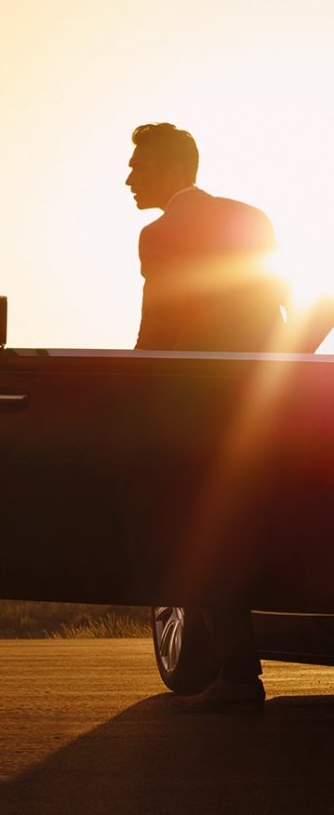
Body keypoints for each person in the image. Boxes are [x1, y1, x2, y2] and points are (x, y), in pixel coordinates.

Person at [126, 122, 285, 712]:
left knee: (204, 541)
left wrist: (126, 395)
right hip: (268, 409)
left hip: (198, 417)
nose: (128, 177)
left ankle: (241, 677)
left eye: (137, 166)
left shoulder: (159, 234)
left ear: (169, 169)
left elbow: (157, 330)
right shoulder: (251, 218)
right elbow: (284, 303)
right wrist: (289, 373)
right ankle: (243, 672)